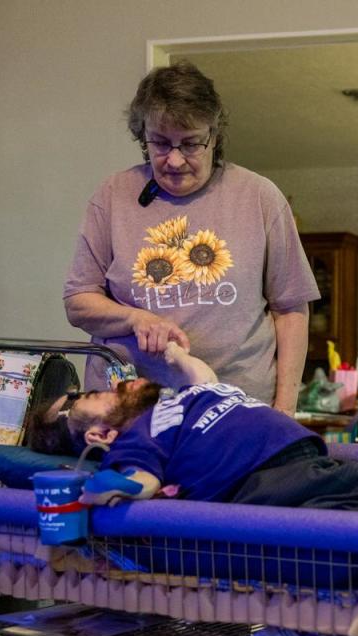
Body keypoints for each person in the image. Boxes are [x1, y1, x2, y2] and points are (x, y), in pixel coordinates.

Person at [63, 60, 318, 415]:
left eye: (191, 144)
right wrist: (136, 319)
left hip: (235, 408)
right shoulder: (113, 195)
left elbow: (290, 309)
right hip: (129, 410)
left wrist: (284, 410)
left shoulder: (259, 197)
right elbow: (78, 301)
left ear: (214, 137)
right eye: (161, 144)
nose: (175, 160)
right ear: (143, 137)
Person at [28, 343, 358, 510]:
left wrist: (177, 356)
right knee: (356, 512)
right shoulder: (136, 438)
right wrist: (96, 490)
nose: (117, 385)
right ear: (99, 434)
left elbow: (204, 377)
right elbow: (142, 481)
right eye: (89, 395)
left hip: (298, 453)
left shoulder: (177, 399)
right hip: (258, 480)